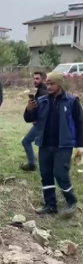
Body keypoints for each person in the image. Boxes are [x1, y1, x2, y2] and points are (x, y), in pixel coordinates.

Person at [24, 72, 83, 218]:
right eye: (48, 84)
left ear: (60, 84)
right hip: (45, 144)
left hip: (63, 145)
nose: (49, 86)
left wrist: (80, 145)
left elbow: (80, 123)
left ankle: (71, 201)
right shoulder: (42, 101)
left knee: (60, 174)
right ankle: (50, 205)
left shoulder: (72, 101)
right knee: (46, 175)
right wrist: (29, 109)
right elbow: (29, 118)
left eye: (52, 84)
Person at [20, 72, 48, 171]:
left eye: (37, 79)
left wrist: (31, 109)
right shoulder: (42, 91)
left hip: (42, 124)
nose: (35, 81)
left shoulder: (43, 92)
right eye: (34, 78)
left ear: (44, 80)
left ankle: (32, 164)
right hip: (41, 123)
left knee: (26, 141)